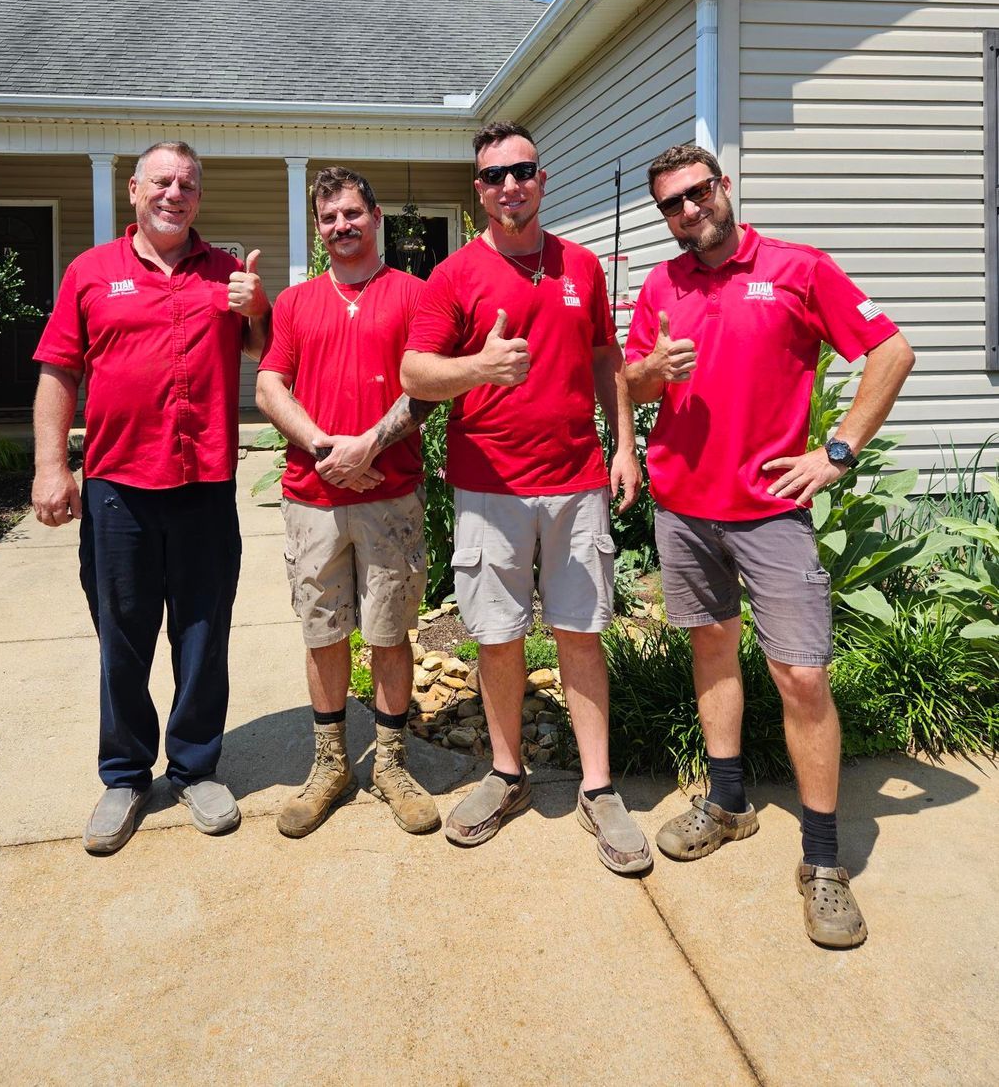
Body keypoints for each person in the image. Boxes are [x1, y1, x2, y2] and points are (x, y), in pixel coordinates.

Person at [625, 142, 914, 948]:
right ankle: (726, 804)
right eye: (670, 205)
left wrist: (837, 451)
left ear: (722, 188)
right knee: (711, 650)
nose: (686, 212)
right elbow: (634, 385)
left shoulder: (796, 268)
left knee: (801, 675)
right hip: (682, 508)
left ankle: (822, 863)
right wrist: (648, 367)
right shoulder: (660, 283)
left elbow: (890, 352)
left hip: (769, 511)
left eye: (695, 194)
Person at [400, 122, 649, 875]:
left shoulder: (580, 265)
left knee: (580, 632)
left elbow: (607, 356)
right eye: (494, 175)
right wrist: (479, 367)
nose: (510, 184)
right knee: (497, 636)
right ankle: (506, 775)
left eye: (523, 170)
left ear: (541, 179)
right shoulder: (452, 278)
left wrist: (625, 442)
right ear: (476, 191)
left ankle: (598, 789)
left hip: (575, 483)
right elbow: (415, 373)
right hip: (489, 488)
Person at [31, 140, 271, 855]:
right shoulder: (91, 272)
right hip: (117, 488)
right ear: (134, 190)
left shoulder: (227, 275)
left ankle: (195, 767)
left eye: (188, 184)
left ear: (200, 196)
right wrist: (52, 466)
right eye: (162, 182)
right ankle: (126, 775)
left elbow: (269, 355)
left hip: (203, 486)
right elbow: (57, 372)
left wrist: (257, 310)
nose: (175, 194)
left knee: (203, 633)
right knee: (123, 635)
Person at [256, 167, 440, 838]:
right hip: (312, 500)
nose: (341, 226)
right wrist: (325, 451)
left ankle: (391, 763)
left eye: (351, 214)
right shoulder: (296, 303)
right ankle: (330, 763)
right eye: (329, 217)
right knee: (323, 631)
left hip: (390, 497)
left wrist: (368, 446)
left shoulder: (416, 296)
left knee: (390, 632)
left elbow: (426, 389)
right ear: (318, 226)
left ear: (375, 215)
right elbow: (271, 386)